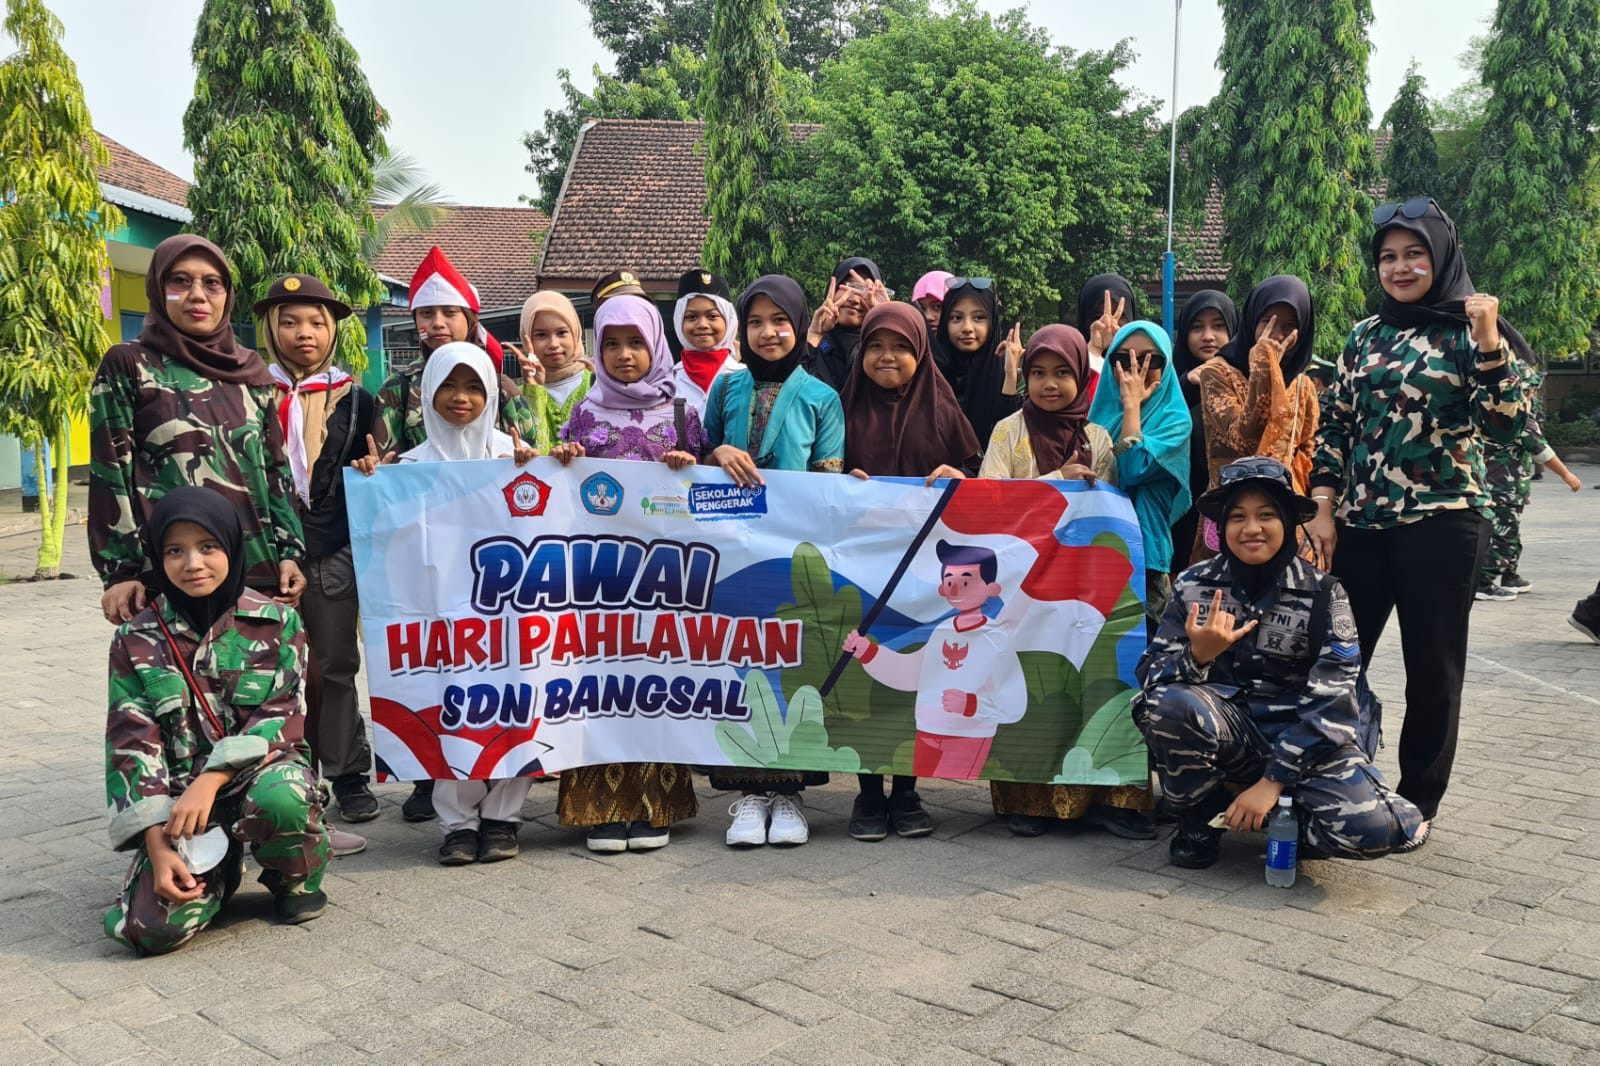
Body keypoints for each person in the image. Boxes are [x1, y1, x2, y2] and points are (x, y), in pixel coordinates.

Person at [1308, 196, 1528, 823]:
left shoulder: (1469, 333)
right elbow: (1336, 426)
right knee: (1336, 656)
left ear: (1442, 258)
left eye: (1414, 255)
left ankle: (1417, 801)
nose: (1400, 268)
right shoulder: (1364, 335)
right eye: (1388, 257)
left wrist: (1489, 342)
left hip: (1443, 523)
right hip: (1361, 524)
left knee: (1432, 668)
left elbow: (1506, 428)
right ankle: (1332, 773)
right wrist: (1322, 505)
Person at [1135, 458, 1428, 869]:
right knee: (1165, 704)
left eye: (1266, 515)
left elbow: (1333, 704)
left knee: (1378, 829)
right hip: (1229, 733)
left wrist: (1273, 782)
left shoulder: (1324, 593)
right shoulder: (1193, 584)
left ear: (1288, 522)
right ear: (1222, 526)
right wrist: (1198, 655)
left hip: (1305, 741)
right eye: (1237, 517)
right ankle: (1201, 816)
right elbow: (1150, 675)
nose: (1251, 528)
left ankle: (1288, 818)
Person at [104, 487, 330, 954]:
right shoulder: (135, 639)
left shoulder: (277, 622)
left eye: (208, 546)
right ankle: (219, 871)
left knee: (283, 796)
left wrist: (212, 780)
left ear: (231, 544)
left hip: (259, 778)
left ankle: (294, 877)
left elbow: (282, 716)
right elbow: (132, 745)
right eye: (175, 551)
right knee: (151, 931)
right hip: (182, 809)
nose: (193, 564)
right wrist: (156, 843)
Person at [353, 343, 539, 863]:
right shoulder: (406, 466)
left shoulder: (514, 454)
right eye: (448, 386)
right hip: (439, 616)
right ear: (428, 392)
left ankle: (503, 818)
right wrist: (373, 483)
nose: (461, 398)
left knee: (516, 703)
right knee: (449, 707)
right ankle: (457, 823)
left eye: (475, 387)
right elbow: (384, 537)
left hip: (509, 612)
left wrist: (543, 467)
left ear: (492, 394)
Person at [977, 325, 1154, 839]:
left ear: (1081, 375)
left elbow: (1112, 510)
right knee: (1028, 684)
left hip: (1084, 589)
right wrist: (1056, 483)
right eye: (1037, 373)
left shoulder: (1097, 437)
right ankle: (1028, 801)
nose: (1049, 384)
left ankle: (1109, 800)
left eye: (1061, 373)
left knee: (1094, 684)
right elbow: (987, 501)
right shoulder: (1007, 431)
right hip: (1019, 588)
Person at [549, 294, 703, 852]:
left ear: (656, 344)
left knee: (656, 681)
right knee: (599, 687)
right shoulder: (584, 412)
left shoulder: (683, 413)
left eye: (636, 342)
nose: (623, 355)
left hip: (666, 576)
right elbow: (559, 488)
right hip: (598, 577)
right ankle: (602, 810)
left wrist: (690, 466)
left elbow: (706, 497)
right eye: (611, 344)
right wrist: (562, 458)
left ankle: (656, 808)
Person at [90, 233, 306, 625]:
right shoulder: (130, 364)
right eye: (180, 281)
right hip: (169, 575)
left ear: (227, 294)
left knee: (258, 667)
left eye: (212, 283)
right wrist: (120, 572)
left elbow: (276, 471)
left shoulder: (251, 371)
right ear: (159, 289)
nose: (197, 295)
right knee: (172, 667)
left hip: (254, 571)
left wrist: (289, 551)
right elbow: (110, 470)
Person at [703, 275, 844, 847]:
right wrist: (717, 450)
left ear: (798, 324)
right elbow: (698, 455)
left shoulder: (821, 396)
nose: (768, 332)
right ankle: (747, 796)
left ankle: (790, 795)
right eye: (756, 322)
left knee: (792, 662)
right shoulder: (725, 388)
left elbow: (829, 483)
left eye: (780, 320)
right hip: (732, 550)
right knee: (738, 661)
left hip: (791, 550)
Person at [838, 301, 981, 842]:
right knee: (866, 673)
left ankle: (907, 790)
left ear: (922, 352)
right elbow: (818, 474)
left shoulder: (942, 408)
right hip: (862, 565)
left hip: (925, 573)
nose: (887, 356)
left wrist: (958, 475)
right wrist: (839, 480)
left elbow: (978, 473)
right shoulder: (843, 407)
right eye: (875, 346)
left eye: (901, 346)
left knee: (919, 670)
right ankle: (868, 792)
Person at [255, 274, 378, 825]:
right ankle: (277, 772)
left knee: (335, 665)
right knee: (268, 669)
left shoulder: (358, 399)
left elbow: (378, 468)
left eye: (316, 322)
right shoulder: (249, 393)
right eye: (289, 322)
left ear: (332, 331)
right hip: (261, 556)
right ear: (270, 329)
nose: (304, 333)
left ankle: (347, 771)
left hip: (332, 552)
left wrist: (375, 467)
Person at [1192, 276, 1320, 563]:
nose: (1276, 335)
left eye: (1289, 325)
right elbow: (1244, 441)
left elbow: (1308, 452)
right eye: (1267, 322)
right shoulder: (1217, 374)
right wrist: (1264, 363)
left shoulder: (1302, 385)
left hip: (1284, 514)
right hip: (1232, 513)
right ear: (1251, 321)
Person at [1087, 321, 1192, 628]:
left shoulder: (1174, 420)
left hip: (1145, 557)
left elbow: (1132, 469)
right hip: (1094, 550)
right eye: (1123, 359)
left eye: (1150, 360)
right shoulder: (1096, 418)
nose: (1136, 370)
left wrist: (1131, 406)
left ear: (1167, 365)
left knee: (1143, 648)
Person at [1477, 361, 1583, 601]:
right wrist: (1566, 475)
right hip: (1505, 486)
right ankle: (1483, 582)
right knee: (1504, 534)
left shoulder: (1487, 408)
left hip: (1493, 483)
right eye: (1530, 389)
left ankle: (1510, 575)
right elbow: (1540, 450)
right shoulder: (1517, 416)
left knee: (1509, 531)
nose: (1534, 393)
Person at [1170, 291, 1238, 572]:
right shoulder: (1169, 384)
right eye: (1197, 327)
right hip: (1180, 515)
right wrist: (1185, 384)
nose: (1208, 336)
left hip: (1232, 510)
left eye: (1218, 326)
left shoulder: (1247, 381)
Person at [933, 277, 1023, 447]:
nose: (967, 328)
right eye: (956, 318)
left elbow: (1007, 442)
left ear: (992, 322)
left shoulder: (1003, 372)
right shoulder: (930, 373)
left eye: (979, 318)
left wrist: (1010, 377)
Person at [515, 290, 592, 447]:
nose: (553, 344)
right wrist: (534, 393)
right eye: (541, 335)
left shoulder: (598, 386)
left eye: (562, 333)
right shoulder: (518, 398)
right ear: (526, 338)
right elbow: (528, 447)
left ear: (575, 333)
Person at [806, 256, 889, 391]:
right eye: (849, 287)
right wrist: (814, 336)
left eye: (864, 291)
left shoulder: (882, 350)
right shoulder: (809, 344)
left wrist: (886, 320)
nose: (855, 300)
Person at [671, 267, 746, 417]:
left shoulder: (744, 376)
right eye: (691, 317)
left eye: (712, 316)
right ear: (679, 321)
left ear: (728, 320)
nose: (702, 324)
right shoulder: (669, 380)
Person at [1077, 273, 1140, 391]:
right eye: (1098, 316)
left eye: (1120, 314)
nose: (1109, 323)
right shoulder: (1071, 367)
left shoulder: (1150, 361)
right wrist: (1093, 351)